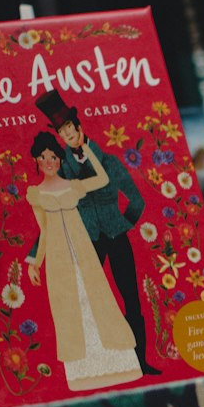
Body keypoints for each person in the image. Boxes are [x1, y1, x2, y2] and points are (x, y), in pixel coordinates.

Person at [35, 89, 159, 375]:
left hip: (117, 238)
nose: (68, 135)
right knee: (87, 301)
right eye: (62, 133)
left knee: (130, 297)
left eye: (70, 129)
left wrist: (122, 224)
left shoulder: (110, 162)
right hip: (87, 243)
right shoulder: (62, 169)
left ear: (79, 128)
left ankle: (140, 361)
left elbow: (137, 201)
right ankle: (104, 364)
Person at [25, 130, 142, 391]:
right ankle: (83, 374)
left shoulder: (72, 185)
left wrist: (85, 149)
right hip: (58, 262)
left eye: (53, 156)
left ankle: (119, 366)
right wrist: (36, 262)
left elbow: (101, 178)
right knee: (67, 311)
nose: (49, 161)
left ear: (59, 159)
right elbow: (43, 231)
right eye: (43, 157)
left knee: (99, 301)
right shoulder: (36, 193)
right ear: (36, 160)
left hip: (85, 253)